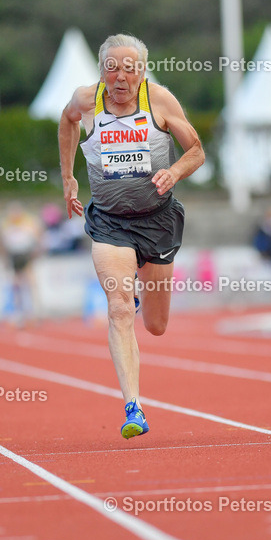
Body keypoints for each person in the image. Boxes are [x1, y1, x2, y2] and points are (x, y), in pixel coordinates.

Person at [59, 33, 204, 439]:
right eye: (112, 67)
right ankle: (133, 406)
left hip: (157, 219)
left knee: (156, 325)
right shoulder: (86, 100)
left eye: (130, 68)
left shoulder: (159, 101)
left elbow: (196, 150)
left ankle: (143, 295)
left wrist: (174, 172)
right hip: (109, 221)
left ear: (142, 70)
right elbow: (67, 122)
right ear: (101, 70)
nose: (121, 76)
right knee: (120, 307)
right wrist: (68, 175)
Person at [0, 202, 43, 326]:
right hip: (14, 256)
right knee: (16, 285)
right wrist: (3, 259)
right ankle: (18, 313)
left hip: (26, 255)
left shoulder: (29, 222)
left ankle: (33, 313)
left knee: (30, 283)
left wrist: (36, 253)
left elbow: (38, 238)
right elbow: (2, 243)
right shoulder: (6, 224)